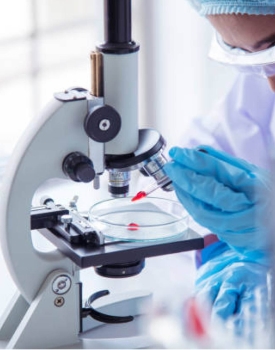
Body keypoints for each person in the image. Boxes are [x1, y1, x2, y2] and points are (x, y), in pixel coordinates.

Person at [164, 0, 275, 326]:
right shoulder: (259, 92)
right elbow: (211, 147)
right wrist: (221, 249)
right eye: (253, 61)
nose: (270, 83)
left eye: (272, 50)